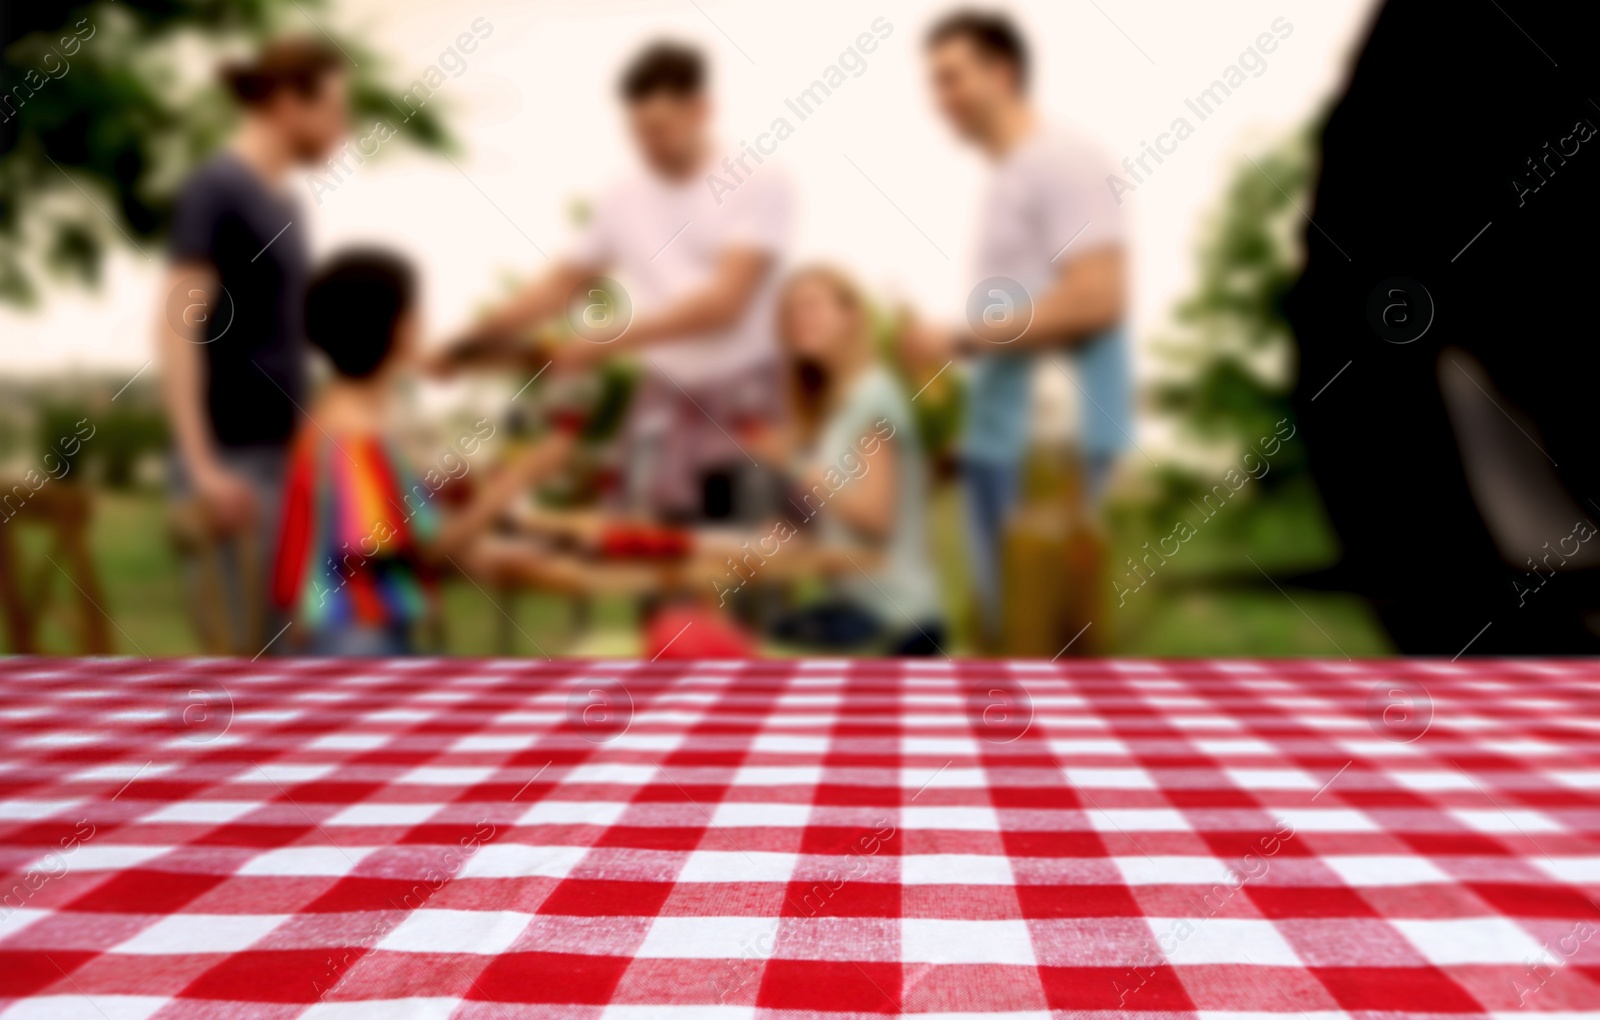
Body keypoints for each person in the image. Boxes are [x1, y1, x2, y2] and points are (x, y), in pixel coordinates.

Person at [438, 40, 793, 521]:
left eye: (661, 129)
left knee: (745, 560)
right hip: (664, 394)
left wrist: (603, 343)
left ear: (701, 111)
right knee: (651, 548)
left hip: (746, 392)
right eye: (638, 131)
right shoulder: (620, 195)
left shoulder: (760, 180)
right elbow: (560, 285)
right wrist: (468, 343)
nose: (648, 144)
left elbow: (724, 304)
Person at [903, 9, 1130, 642]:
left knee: (1044, 649)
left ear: (1002, 74)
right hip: (1000, 451)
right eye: (935, 82)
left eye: (953, 77)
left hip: (1048, 463)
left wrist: (962, 337)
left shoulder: (1061, 160)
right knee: (1004, 645)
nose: (940, 98)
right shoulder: (1009, 179)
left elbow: (1097, 297)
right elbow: (1029, 319)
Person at [273, 250, 574, 656]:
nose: (425, 325)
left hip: (354, 635)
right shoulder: (355, 436)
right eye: (417, 314)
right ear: (399, 328)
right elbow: (429, 552)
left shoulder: (337, 418)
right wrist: (516, 480)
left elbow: (392, 536)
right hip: (354, 645)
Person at [157, 38, 349, 652]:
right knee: (254, 670)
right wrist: (202, 468)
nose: (343, 128)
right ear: (290, 105)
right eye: (335, 110)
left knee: (303, 657)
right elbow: (175, 328)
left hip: (288, 462)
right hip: (232, 466)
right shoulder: (217, 188)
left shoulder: (287, 204)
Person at [762, 266, 945, 656]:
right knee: (767, 633)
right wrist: (798, 540)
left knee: (767, 645)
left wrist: (794, 462)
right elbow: (849, 521)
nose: (798, 320)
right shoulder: (842, 408)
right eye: (791, 312)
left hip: (899, 620)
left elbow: (876, 518)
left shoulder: (873, 396)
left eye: (811, 306)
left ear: (852, 315)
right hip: (862, 607)